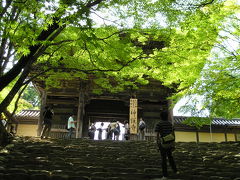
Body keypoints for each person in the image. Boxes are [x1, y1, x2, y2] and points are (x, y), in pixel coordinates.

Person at [155, 111, 178, 180]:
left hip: (163, 143)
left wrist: (157, 144)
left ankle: (165, 175)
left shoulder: (158, 124)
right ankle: (175, 171)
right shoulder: (170, 124)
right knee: (170, 156)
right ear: (167, 116)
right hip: (170, 142)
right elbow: (173, 134)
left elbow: (157, 135)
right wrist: (173, 143)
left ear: (160, 117)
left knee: (163, 159)